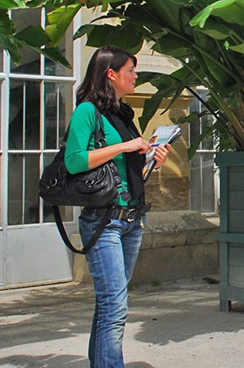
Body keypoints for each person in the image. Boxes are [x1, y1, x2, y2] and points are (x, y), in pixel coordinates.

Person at [64, 46, 171, 367]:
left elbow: (129, 172)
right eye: (130, 71)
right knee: (115, 306)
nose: (136, 76)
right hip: (103, 221)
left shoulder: (124, 115)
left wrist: (153, 160)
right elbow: (74, 161)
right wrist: (126, 145)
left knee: (109, 304)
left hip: (131, 219)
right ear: (111, 75)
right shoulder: (87, 111)